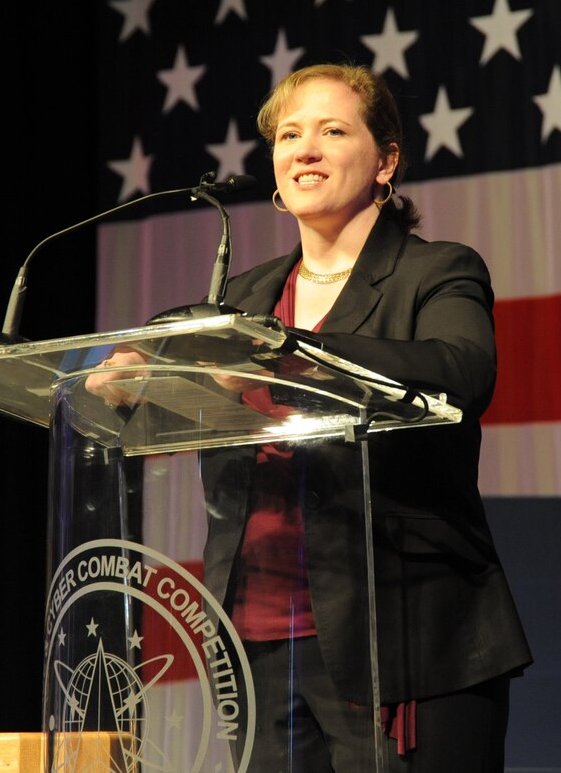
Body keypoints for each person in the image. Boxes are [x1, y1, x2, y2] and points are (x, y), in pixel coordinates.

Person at [86, 63, 533, 772]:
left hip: (405, 637)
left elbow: (461, 370)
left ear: (386, 161)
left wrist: (290, 356)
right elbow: (149, 367)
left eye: (332, 131)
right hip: (257, 645)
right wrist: (129, 375)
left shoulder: (437, 271)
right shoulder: (243, 299)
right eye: (289, 135)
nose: (306, 150)